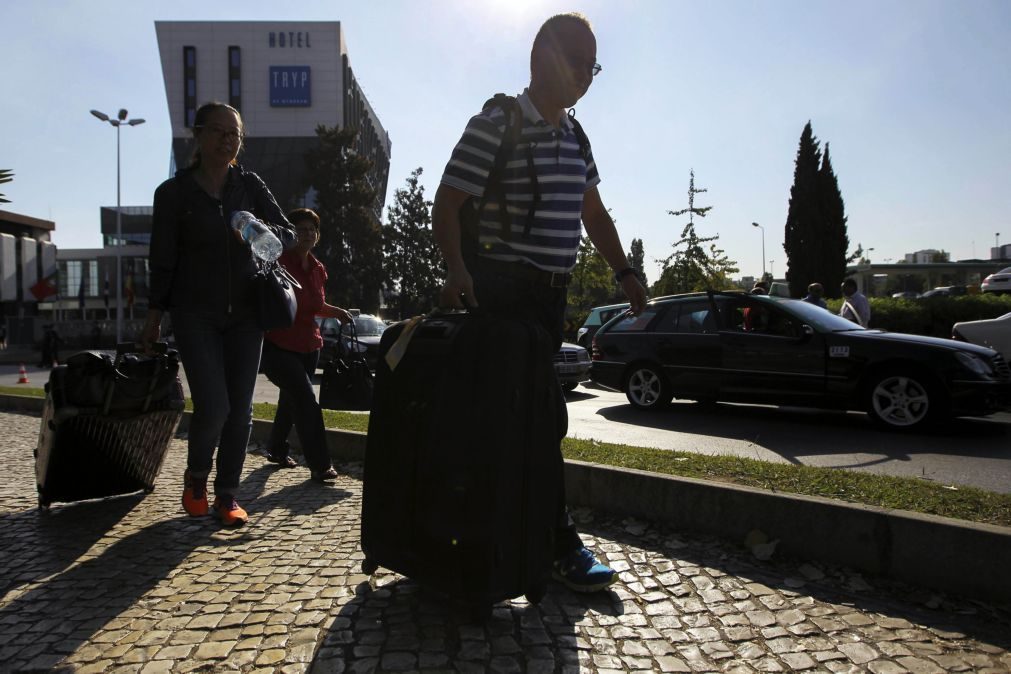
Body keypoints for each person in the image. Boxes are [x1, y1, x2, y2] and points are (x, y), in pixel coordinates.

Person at [432, 12, 647, 593]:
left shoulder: (576, 136)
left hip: (551, 300)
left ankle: (503, 533)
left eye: (592, 65)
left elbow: (593, 214)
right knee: (539, 416)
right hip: (502, 292)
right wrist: (457, 270)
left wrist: (624, 272)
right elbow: (447, 202)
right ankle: (557, 542)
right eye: (578, 61)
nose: (586, 74)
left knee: (527, 419)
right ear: (543, 55)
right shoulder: (498, 121)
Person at [142, 101, 294, 527]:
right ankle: (196, 478)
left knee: (241, 408)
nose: (229, 140)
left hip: (247, 312)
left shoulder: (248, 185)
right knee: (214, 404)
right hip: (196, 313)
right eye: (220, 132)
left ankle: (227, 494)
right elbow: (163, 259)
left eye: (235, 134)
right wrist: (155, 314)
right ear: (199, 135)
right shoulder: (173, 194)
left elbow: (285, 233)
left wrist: (258, 231)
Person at [260, 208, 352, 484]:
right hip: (279, 345)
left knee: (290, 400)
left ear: (318, 235)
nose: (306, 234)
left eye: (311, 229)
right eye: (300, 229)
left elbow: (314, 306)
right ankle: (320, 464)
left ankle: (276, 450)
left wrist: (338, 312)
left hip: (310, 347)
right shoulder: (277, 262)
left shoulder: (318, 269)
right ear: (290, 233)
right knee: (306, 401)